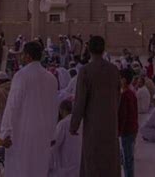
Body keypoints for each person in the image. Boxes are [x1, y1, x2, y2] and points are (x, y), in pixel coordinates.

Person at [1, 41, 57, 177]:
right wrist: (52, 133)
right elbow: (54, 108)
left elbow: (12, 106)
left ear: (27, 56)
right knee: (38, 169)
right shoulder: (51, 78)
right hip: (43, 134)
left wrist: (5, 132)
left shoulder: (21, 76)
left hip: (22, 133)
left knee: (20, 169)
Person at [70, 35, 121, 177]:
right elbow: (118, 97)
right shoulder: (113, 70)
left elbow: (80, 101)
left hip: (93, 125)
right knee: (109, 162)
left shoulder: (86, 71)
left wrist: (74, 125)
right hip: (111, 125)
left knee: (93, 162)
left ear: (89, 49)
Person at [49, 99, 82, 177]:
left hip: (65, 168)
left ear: (61, 110)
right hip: (78, 167)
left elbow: (54, 144)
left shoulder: (63, 124)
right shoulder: (81, 123)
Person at [118, 69, 138, 177]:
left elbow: (123, 115)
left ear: (124, 80)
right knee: (129, 157)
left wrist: (119, 131)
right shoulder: (131, 93)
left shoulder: (125, 96)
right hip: (132, 128)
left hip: (127, 130)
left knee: (127, 159)